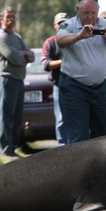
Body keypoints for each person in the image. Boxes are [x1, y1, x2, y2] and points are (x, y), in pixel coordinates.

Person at [56, 0, 106, 143]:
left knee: (103, 137)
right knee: (79, 137)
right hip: (75, 88)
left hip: (100, 89)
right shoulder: (68, 25)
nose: (90, 16)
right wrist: (80, 35)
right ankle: (77, 166)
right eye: (86, 13)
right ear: (77, 10)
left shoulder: (104, 23)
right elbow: (59, 40)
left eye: (94, 12)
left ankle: (98, 167)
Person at [0, 6, 35, 157]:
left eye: (12, 16)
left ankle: (12, 147)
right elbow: (15, 58)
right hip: (7, 79)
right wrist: (23, 55)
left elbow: (32, 56)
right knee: (7, 115)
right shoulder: (0, 37)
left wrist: (23, 54)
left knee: (17, 117)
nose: (11, 18)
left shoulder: (16, 37)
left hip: (18, 80)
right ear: (1, 19)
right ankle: (5, 150)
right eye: (8, 16)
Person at [40, 12, 69, 146]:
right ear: (54, 25)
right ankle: (62, 149)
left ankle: (76, 148)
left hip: (77, 84)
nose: (62, 25)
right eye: (60, 23)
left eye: (65, 23)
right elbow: (45, 64)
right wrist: (63, 62)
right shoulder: (50, 42)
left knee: (77, 118)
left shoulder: (75, 39)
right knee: (61, 119)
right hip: (58, 85)